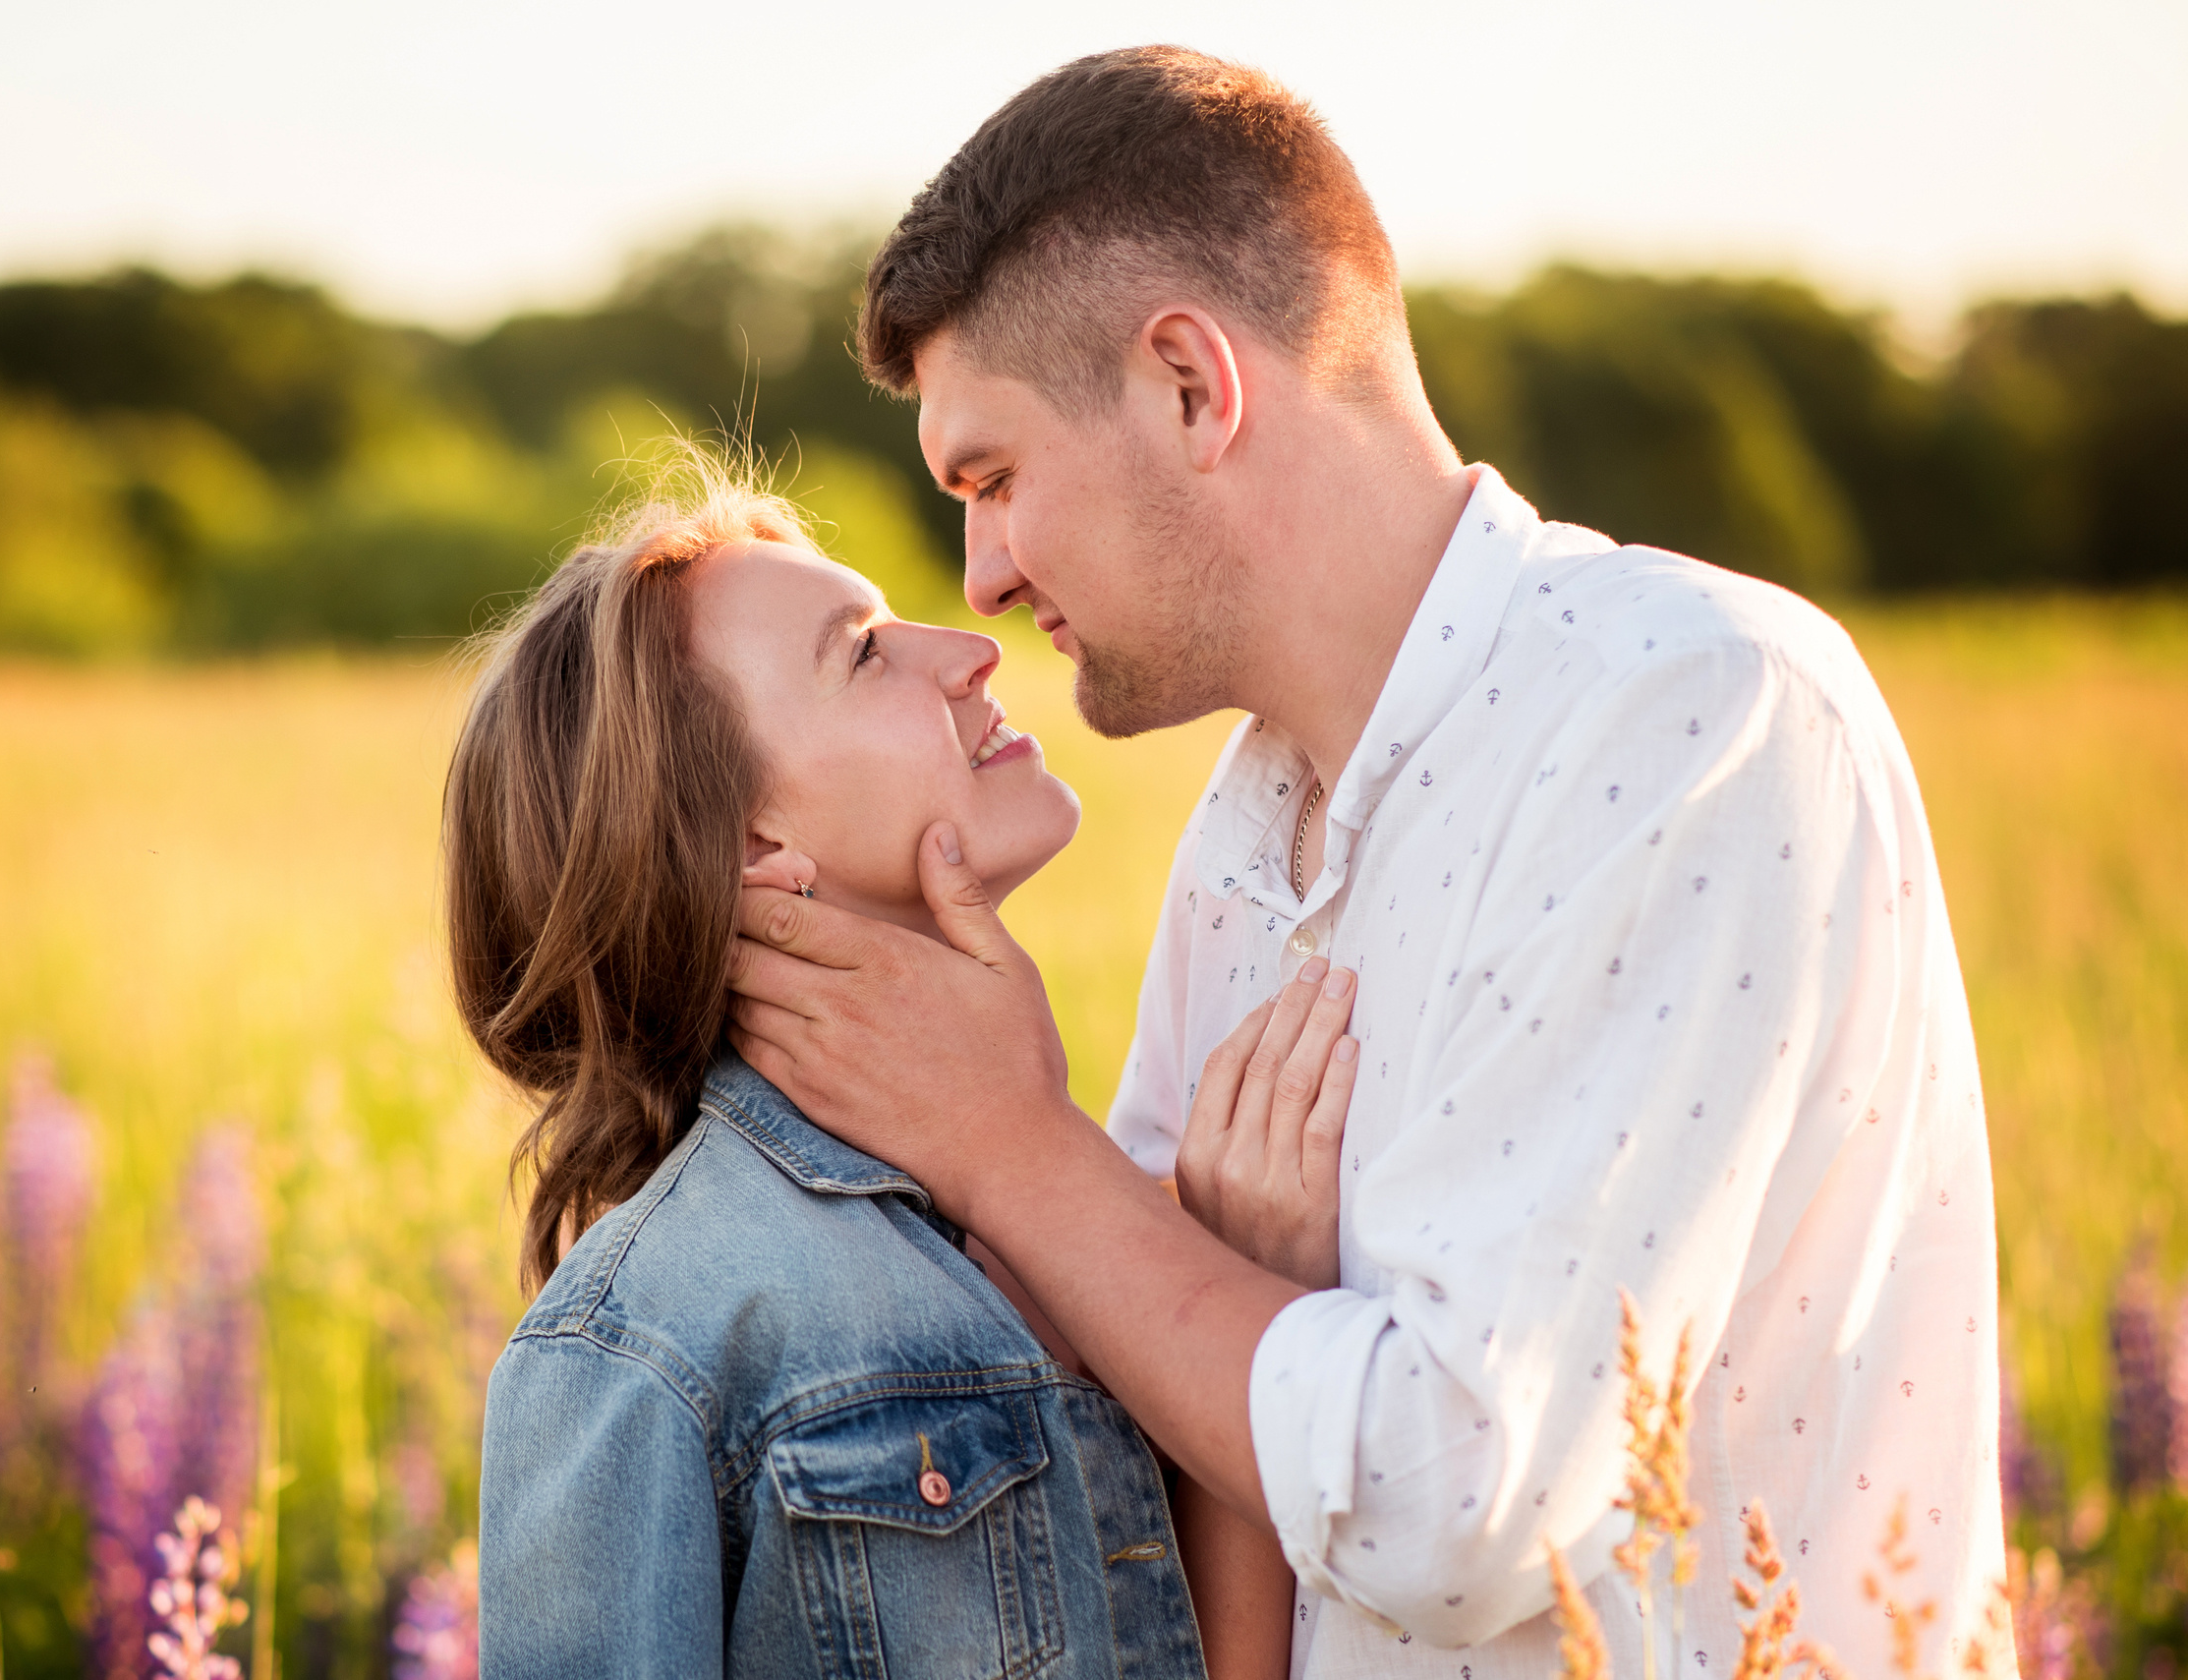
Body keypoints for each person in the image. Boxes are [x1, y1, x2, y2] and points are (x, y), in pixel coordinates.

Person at [725, 44, 2002, 1680]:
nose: (979, 577)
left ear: (1190, 385)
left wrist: (1011, 1143)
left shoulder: (1689, 710)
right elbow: (1153, 1407)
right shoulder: (1248, 830)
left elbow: (1466, 1494)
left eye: (995, 478)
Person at [453, 456, 1320, 1676]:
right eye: (862, 653)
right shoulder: (640, 1343)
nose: (972, 649)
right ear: (752, 845)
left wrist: (1262, 1298)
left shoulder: (1087, 1213)